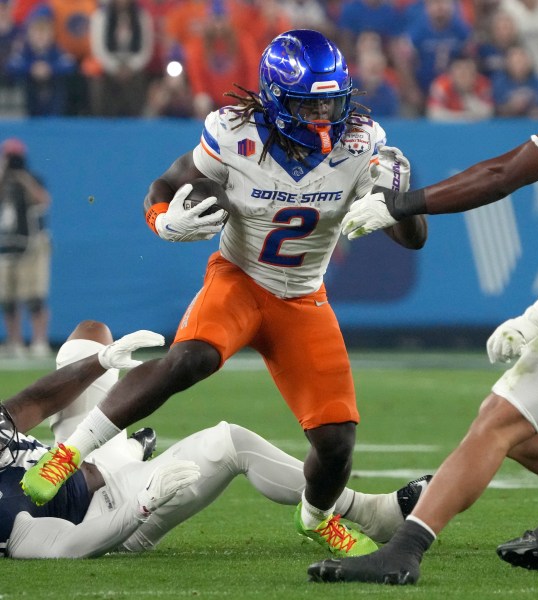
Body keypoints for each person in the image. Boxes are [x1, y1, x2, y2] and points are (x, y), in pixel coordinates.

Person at [20, 29, 428, 559]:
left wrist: (400, 196)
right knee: (189, 358)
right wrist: (164, 222)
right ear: (279, 101)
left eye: (333, 101)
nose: (326, 116)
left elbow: (412, 239)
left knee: (336, 442)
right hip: (240, 279)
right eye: (312, 104)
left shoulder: (361, 142)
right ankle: (69, 454)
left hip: (303, 297)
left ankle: (317, 517)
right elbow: (163, 187)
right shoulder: (236, 133)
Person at [306, 21, 538, 585]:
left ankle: (406, 549)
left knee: (498, 421)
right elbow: (500, 173)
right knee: (526, 426)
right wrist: (404, 204)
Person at [2, 318, 432, 558]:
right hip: (105, 512)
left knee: (87, 338)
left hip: (73, 466)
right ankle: (369, 510)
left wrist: (100, 361)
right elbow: (66, 546)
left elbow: (29, 404)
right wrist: (141, 504)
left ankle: (129, 450)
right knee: (230, 442)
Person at [0, 137, 52, 359]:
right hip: (5, 245)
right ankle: (15, 341)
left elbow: (43, 201)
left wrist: (23, 179)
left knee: (34, 296)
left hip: (31, 245)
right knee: (7, 298)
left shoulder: (32, 179)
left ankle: (39, 340)